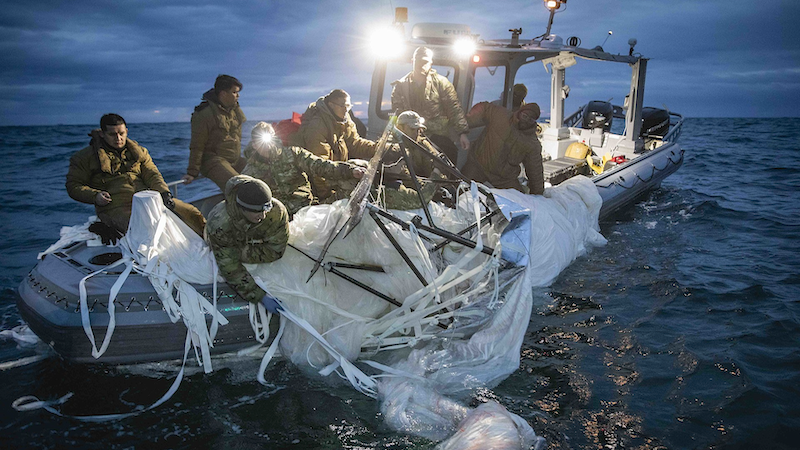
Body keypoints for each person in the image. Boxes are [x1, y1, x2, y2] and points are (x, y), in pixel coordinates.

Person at [66, 114, 206, 240]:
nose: (118, 138)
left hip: (147, 200)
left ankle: (211, 246)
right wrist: (95, 196)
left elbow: (152, 174)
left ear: (126, 131)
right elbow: (73, 186)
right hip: (114, 206)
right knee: (144, 228)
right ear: (102, 134)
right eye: (112, 134)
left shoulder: (139, 152)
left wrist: (164, 193)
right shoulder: (84, 157)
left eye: (121, 133)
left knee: (192, 213)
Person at [242, 122, 365, 218]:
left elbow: (320, 166)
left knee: (350, 180)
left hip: (306, 209)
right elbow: (242, 195)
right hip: (278, 218)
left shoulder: (293, 154)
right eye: (259, 142)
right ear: (253, 145)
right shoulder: (250, 171)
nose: (265, 146)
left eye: (267, 140)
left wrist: (349, 171)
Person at [205, 175, 289, 310]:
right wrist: (259, 296)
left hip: (243, 245)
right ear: (242, 208)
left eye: (265, 209)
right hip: (225, 242)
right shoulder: (219, 223)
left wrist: (243, 251)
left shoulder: (276, 211)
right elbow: (230, 267)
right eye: (256, 211)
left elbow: (276, 250)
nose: (263, 216)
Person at [290, 88, 376, 199]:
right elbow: (319, 168)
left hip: (336, 172)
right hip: (320, 183)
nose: (346, 110)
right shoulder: (317, 126)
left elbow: (355, 143)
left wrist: (380, 148)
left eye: (348, 106)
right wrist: (327, 198)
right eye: (343, 106)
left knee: (364, 167)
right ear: (331, 105)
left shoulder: (344, 120)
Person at [390, 46, 470, 164]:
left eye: (425, 62)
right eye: (419, 61)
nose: (422, 65)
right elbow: (397, 115)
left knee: (449, 156)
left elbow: (454, 108)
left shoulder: (441, 84)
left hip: (436, 136)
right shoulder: (400, 87)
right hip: (410, 136)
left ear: (431, 63)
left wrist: (462, 133)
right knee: (396, 157)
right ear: (413, 61)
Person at [461, 102, 545, 194]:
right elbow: (484, 107)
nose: (526, 120)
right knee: (459, 188)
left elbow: (535, 170)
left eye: (530, 120)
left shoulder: (532, 143)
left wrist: (538, 194)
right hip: (478, 165)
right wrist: (467, 121)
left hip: (504, 178)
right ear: (520, 112)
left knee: (519, 203)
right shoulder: (501, 115)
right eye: (524, 116)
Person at [182, 74, 247, 190]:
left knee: (263, 176)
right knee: (239, 186)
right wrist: (192, 172)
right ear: (223, 93)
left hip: (234, 160)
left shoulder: (234, 110)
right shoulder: (204, 113)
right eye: (234, 92)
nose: (238, 96)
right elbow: (197, 144)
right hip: (213, 161)